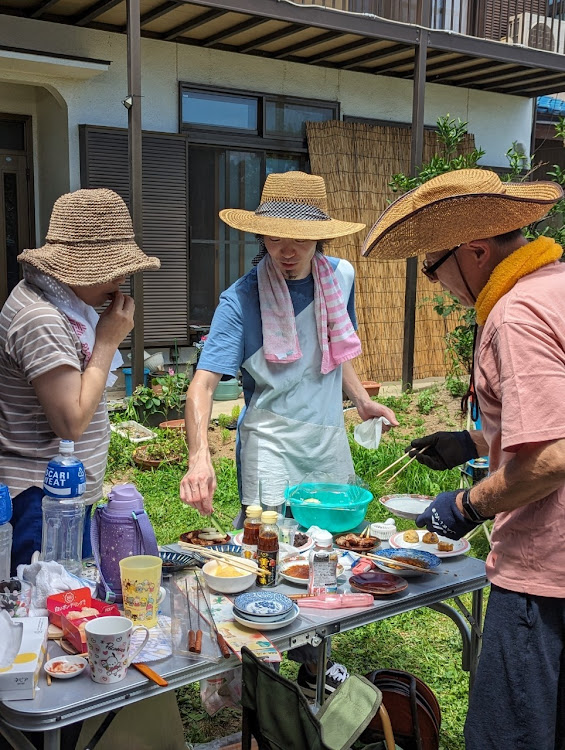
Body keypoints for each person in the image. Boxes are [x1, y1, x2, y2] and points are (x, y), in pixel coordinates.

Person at [362, 167, 565, 749]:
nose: (434, 280)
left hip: (543, 580)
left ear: (476, 249)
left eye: (433, 265)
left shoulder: (517, 313)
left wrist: (467, 505)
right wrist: (474, 442)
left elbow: (551, 456)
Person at [180, 170, 398, 695]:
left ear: (320, 236)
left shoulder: (339, 277)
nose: (287, 248)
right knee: (271, 555)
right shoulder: (241, 300)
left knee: (326, 554)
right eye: (276, 236)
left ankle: (311, 664)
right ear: (261, 236)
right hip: (271, 441)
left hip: (325, 436)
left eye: (300, 237)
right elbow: (201, 387)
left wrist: (362, 401)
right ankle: (254, 667)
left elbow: (338, 348)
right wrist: (198, 457)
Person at [0, 188, 160, 573]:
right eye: (113, 269)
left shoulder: (62, 305)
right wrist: (106, 341)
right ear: (79, 267)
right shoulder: (42, 319)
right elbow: (70, 422)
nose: (122, 279)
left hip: (62, 494)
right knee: (43, 612)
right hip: (42, 500)